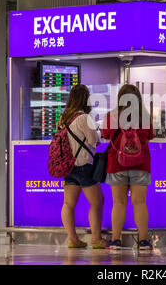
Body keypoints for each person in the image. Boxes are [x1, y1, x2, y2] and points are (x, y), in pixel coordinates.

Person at [102, 84, 154, 251]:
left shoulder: (111, 116)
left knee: (118, 202)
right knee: (139, 203)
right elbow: (150, 136)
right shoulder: (145, 117)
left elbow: (105, 135)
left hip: (116, 163)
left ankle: (115, 240)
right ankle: (144, 241)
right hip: (141, 163)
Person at [57, 84, 107, 249]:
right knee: (98, 201)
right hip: (84, 165)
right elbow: (94, 140)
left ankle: (72, 239)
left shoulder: (63, 118)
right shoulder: (85, 118)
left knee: (68, 204)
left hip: (68, 166)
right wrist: (98, 130)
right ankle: (96, 238)